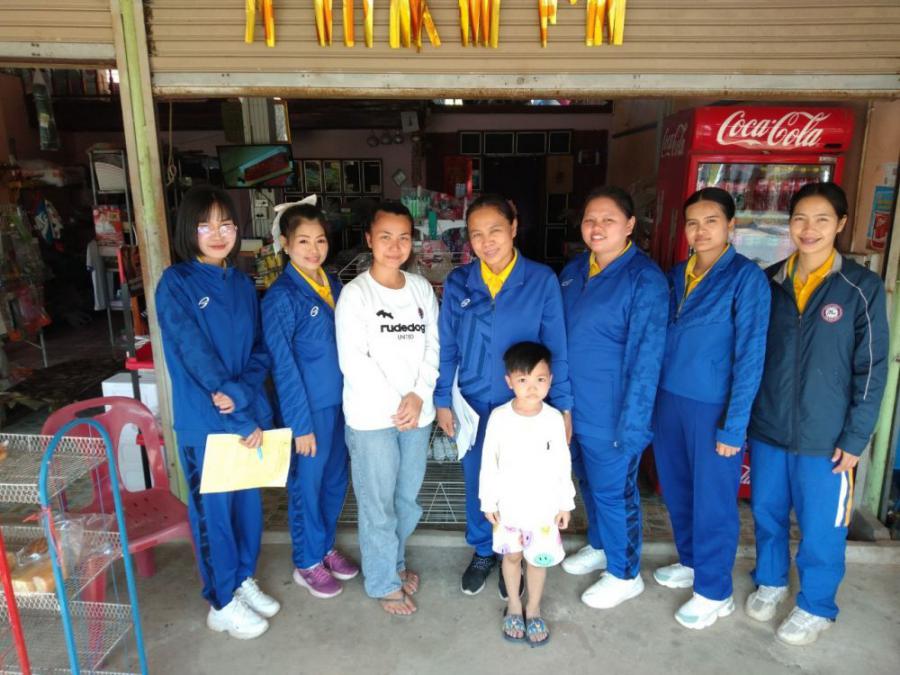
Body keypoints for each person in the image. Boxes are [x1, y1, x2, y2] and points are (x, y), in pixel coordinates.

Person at [746, 182, 888, 646]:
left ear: (841, 224)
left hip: (827, 437)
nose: (809, 229)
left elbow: (872, 369)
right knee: (766, 513)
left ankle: (816, 606)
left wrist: (856, 437)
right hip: (769, 428)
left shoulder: (861, 288)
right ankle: (770, 581)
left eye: (822, 219)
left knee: (823, 527)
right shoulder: (769, 282)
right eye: (800, 219)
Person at [434, 194, 573, 598]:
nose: (486, 241)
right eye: (476, 234)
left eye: (495, 230)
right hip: (474, 404)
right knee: (480, 480)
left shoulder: (541, 280)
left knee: (524, 482)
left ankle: (516, 553)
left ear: (513, 228)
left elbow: (556, 346)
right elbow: (447, 346)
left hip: (526, 407)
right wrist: (442, 400)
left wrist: (563, 405)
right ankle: (483, 550)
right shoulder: (460, 282)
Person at [156, 185, 279, 639]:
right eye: (205, 225)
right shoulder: (177, 283)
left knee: (247, 509)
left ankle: (241, 578)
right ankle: (221, 601)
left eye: (225, 224)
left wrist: (245, 400)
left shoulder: (242, 283)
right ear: (188, 231)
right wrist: (237, 407)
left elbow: (260, 350)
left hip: (244, 416)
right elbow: (195, 354)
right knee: (214, 518)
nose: (217, 234)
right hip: (205, 423)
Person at [651, 188, 771, 629]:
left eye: (711, 221)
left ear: (731, 226)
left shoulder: (745, 279)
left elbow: (751, 356)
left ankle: (715, 591)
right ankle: (692, 560)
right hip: (669, 400)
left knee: (714, 500)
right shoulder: (676, 275)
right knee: (677, 488)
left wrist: (734, 426)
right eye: (692, 223)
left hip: (713, 406)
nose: (700, 231)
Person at [559, 185, 668, 609]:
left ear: (630, 225)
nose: (597, 227)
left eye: (608, 219)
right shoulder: (573, 272)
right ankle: (602, 545)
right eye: (590, 219)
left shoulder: (645, 280)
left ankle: (625, 574)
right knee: (586, 481)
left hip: (613, 413)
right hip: (572, 407)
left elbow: (647, 358)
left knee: (614, 492)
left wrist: (634, 423)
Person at [335, 200, 440, 615]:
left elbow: (434, 346)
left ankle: (394, 564)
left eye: (403, 238)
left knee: (406, 500)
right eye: (385, 237)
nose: (395, 247)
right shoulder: (356, 295)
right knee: (377, 504)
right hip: (371, 420)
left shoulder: (420, 289)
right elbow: (354, 361)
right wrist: (398, 404)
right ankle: (382, 582)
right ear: (369, 240)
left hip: (417, 415)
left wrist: (418, 395)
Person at [261, 200, 359, 600]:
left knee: (335, 480)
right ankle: (306, 561)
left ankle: (324, 547)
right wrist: (299, 425)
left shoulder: (333, 284)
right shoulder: (281, 297)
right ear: (285, 244)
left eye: (320, 240)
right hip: (308, 410)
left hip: (342, 404)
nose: (313, 249)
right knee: (307, 485)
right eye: (303, 241)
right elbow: (283, 367)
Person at [480, 342, 575, 647]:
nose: (532, 388)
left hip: (543, 510)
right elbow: (489, 461)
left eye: (540, 379)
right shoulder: (499, 418)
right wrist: (488, 500)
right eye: (523, 380)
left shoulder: (553, 419)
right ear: (509, 381)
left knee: (537, 561)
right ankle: (513, 605)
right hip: (508, 507)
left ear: (550, 380)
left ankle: (533, 608)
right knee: (511, 557)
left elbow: (563, 463)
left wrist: (565, 503)